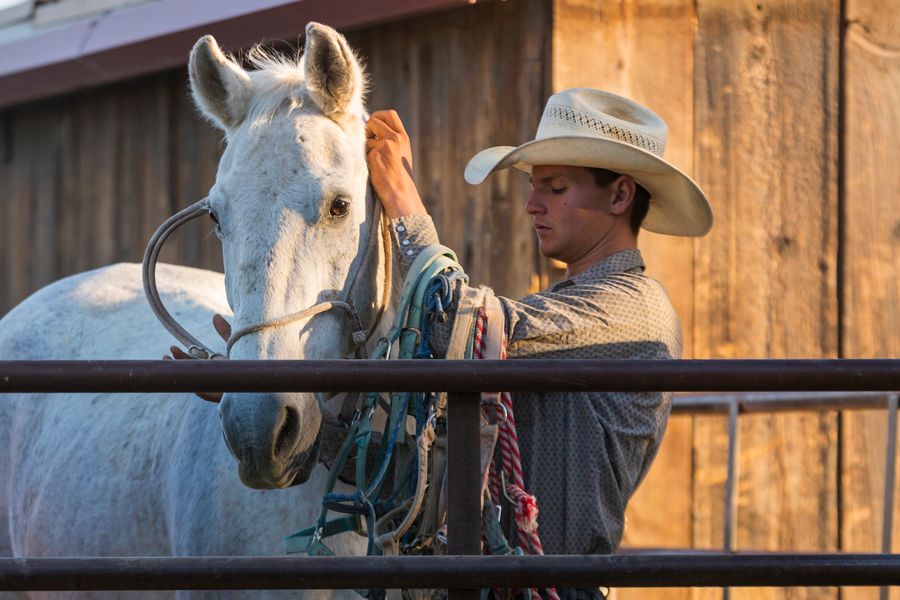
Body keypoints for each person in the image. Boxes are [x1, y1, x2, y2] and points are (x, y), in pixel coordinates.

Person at [364, 88, 712, 598]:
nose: (531, 205)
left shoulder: (632, 309)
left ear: (619, 196)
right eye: (535, 187)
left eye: (554, 187)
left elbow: (458, 326)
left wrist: (402, 201)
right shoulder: (572, 309)